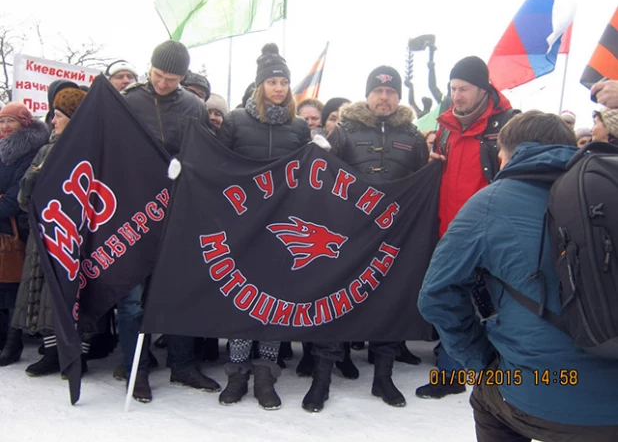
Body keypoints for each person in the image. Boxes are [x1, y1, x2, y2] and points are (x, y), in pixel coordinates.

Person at [418, 110, 618, 442]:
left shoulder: (490, 202)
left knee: (487, 399)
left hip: (542, 394)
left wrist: (480, 362)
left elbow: (435, 294)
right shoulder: (609, 195)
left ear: (505, 153)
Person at [301, 65, 428, 413]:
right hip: (349, 233)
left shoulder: (414, 136)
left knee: (390, 301)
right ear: (368, 94)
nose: (383, 98)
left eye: (390, 92)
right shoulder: (344, 130)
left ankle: (383, 377)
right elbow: (324, 176)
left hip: (395, 234)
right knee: (337, 300)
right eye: (378, 91)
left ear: (398, 97)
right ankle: (321, 377)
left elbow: (422, 181)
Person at [416, 56, 519, 400]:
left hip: (492, 235)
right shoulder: (444, 127)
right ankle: (451, 372)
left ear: (483, 88)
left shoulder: (508, 125)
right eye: (452, 88)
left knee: (494, 305)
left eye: (463, 89)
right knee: (450, 301)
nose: (456, 96)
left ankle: (504, 375)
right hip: (450, 232)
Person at [122, 40, 219, 403]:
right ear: (149, 67)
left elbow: (208, 155)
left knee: (178, 291)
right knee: (131, 300)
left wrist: (186, 164)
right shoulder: (128, 100)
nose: (163, 83)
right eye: (158, 75)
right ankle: (136, 368)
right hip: (133, 211)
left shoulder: (194, 106)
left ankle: (182, 365)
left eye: (172, 78)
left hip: (177, 211)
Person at [217, 43, 310, 410]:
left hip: (283, 227)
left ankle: (265, 373)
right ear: (260, 86)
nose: (278, 88)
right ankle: (237, 372)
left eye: (283, 82)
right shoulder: (236, 120)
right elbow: (219, 164)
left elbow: (310, 175)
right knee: (243, 299)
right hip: (242, 226)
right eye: (272, 81)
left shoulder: (299, 126)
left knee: (275, 301)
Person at [12, 89, 88, 376]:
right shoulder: (45, 149)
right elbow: (23, 197)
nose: (53, 121)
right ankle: (52, 352)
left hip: (76, 234)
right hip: (44, 234)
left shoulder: (91, 149)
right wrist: (36, 174)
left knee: (78, 293)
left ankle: (78, 356)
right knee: (43, 292)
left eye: (58, 115)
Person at [0, 102, 49, 367]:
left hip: (18, 229)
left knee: (11, 289)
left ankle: (13, 343)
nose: (5, 127)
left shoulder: (31, 151)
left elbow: (14, 197)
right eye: (2, 121)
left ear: (25, 123)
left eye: (12, 121)